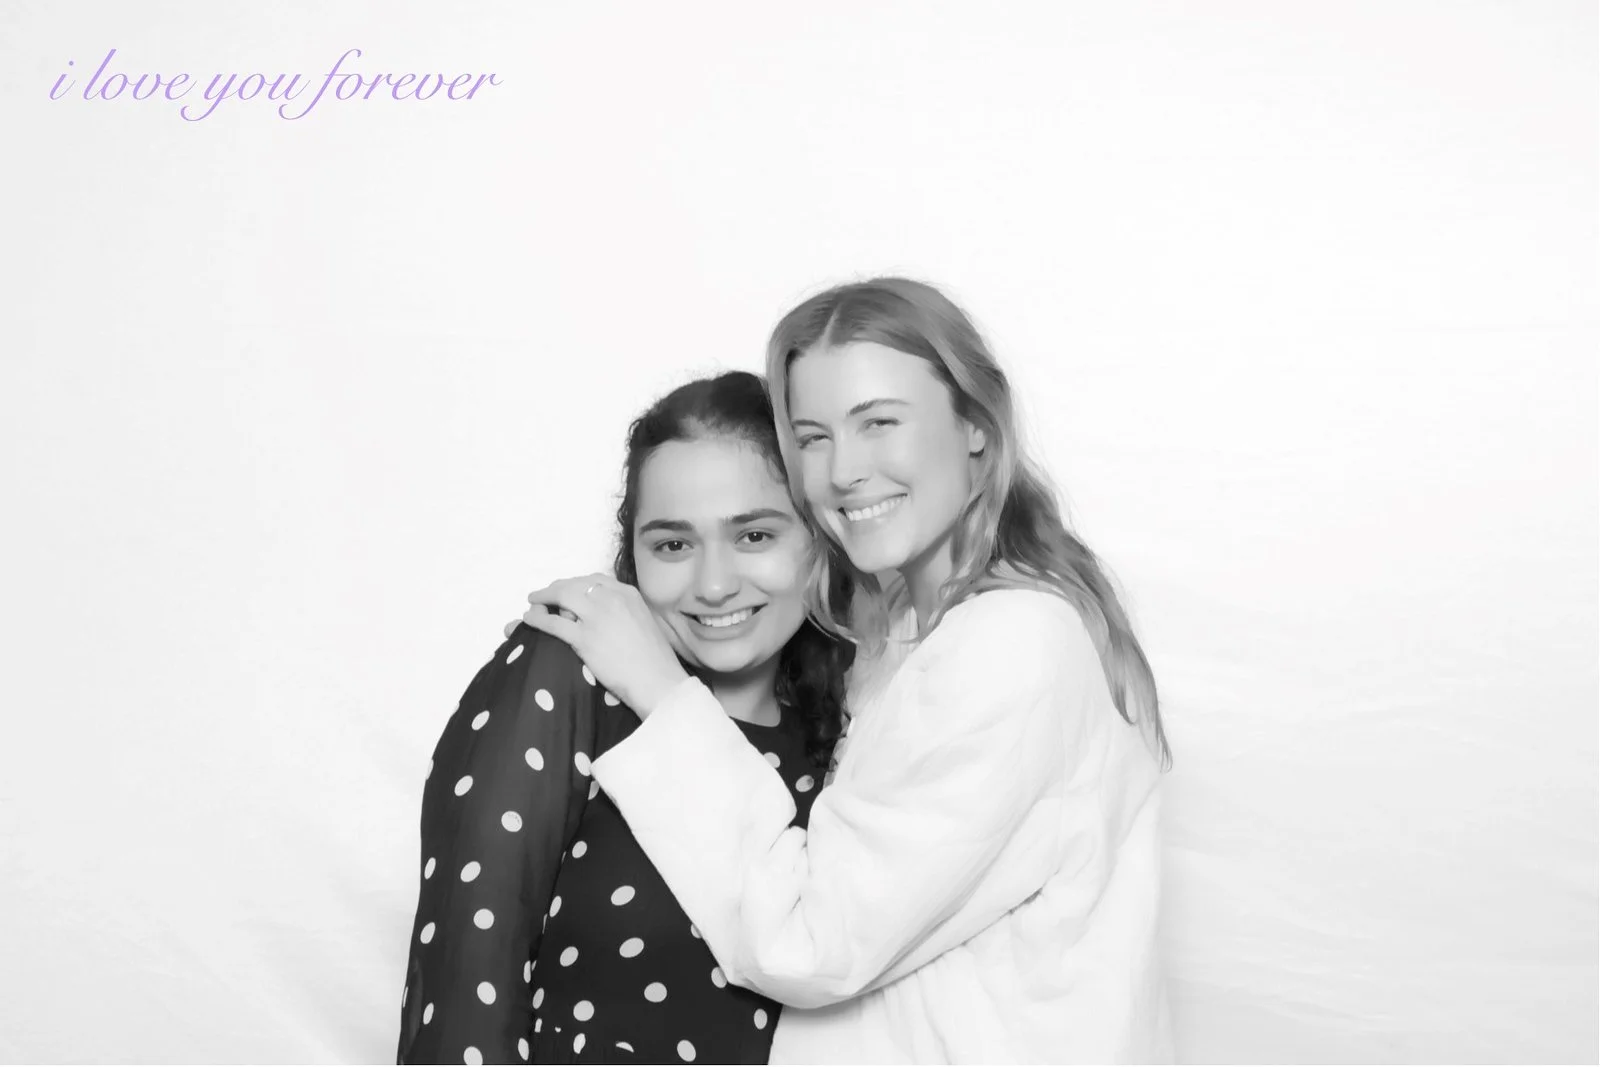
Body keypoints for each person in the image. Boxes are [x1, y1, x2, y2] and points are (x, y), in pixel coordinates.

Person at [521, 277, 1174, 1063]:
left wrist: (661, 692)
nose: (843, 471)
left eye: (879, 422)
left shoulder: (1015, 643)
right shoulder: (898, 634)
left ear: (975, 423)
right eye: (813, 436)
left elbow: (811, 944)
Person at [396, 372, 851, 1065]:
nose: (714, 583)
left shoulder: (852, 729)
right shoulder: (567, 673)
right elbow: (464, 984)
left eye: (754, 534)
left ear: (818, 538)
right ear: (632, 552)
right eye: (673, 544)